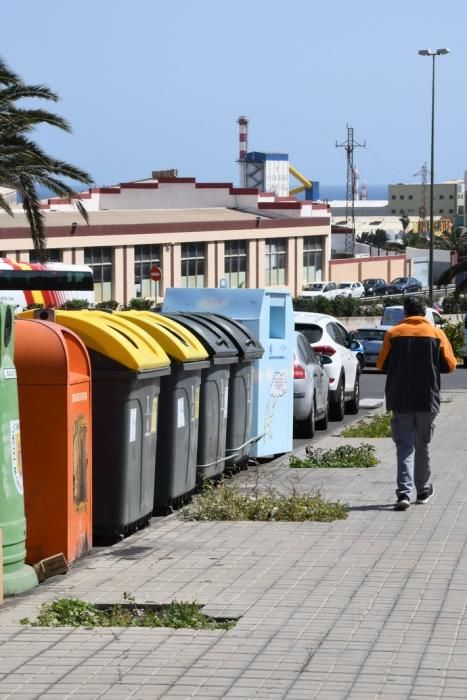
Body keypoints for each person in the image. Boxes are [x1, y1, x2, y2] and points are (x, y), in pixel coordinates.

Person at [376, 295, 456, 511]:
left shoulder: (393, 334)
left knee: (404, 446)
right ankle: (422, 490)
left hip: (400, 398)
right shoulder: (437, 333)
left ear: (405, 312)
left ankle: (403, 493)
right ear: (424, 313)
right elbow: (450, 365)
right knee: (423, 444)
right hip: (427, 398)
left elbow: (381, 364)